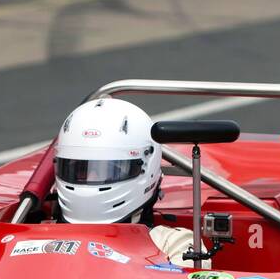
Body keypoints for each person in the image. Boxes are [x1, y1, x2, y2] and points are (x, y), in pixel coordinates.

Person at [52, 98, 202, 266]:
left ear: (146, 166)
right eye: (80, 170)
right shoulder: (38, 237)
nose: (91, 179)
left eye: (108, 170)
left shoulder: (174, 245)